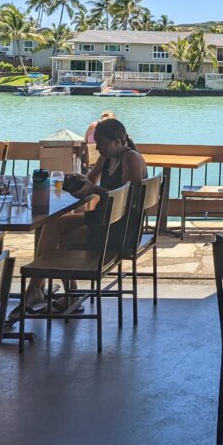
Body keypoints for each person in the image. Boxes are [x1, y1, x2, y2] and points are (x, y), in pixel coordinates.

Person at [18, 117, 146, 312]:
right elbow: (91, 179)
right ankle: (37, 288)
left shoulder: (131, 158)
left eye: (102, 145)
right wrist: (79, 180)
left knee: (63, 237)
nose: (99, 150)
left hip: (120, 228)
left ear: (118, 142)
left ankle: (68, 294)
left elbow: (129, 198)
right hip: (104, 220)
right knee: (52, 225)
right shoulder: (107, 158)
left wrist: (93, 189)